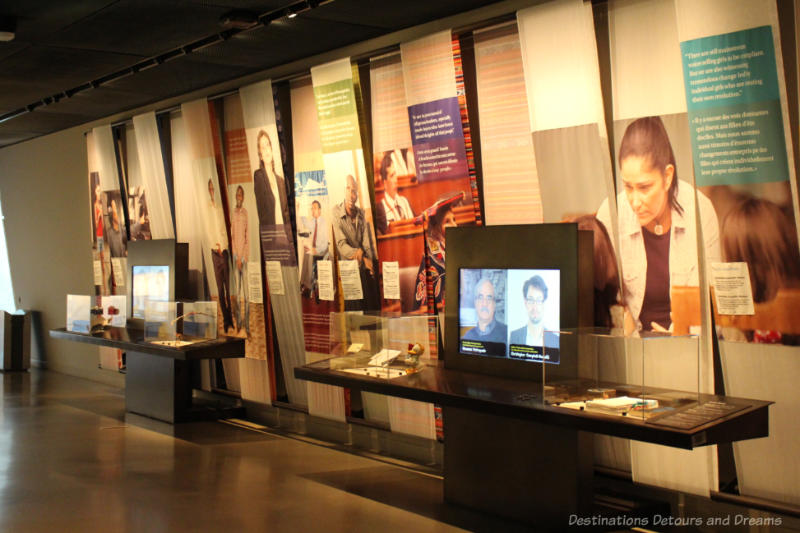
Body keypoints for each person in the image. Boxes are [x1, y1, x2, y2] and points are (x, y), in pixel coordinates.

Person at [596, 116, 719, 332]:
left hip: (689, 346)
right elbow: (604, 302)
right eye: (628, 186)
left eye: (644, 187)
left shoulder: (700, 211)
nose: (634, 201)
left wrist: (679, 336)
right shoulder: (611, 213)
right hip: (632, 346)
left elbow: (709, 305)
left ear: (667, 176)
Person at [332, 174, 379, 309]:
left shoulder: (361, 213)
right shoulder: (335, 213)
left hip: (363, 267)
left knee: (372, 305)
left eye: (354, 191)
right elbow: (342, 246)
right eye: (348, 189)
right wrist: (363, 257)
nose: (351, 194)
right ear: (343, 190)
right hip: (350, 270)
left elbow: (366, 244)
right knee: (355, 314)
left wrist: (370, 262)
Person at [413, 192, 462, 312]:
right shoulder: (431, 259)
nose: (454, 225)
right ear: (436, 228)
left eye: (454, 220)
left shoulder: (455, 250)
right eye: (447, 222)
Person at [207, 179, 234, 333]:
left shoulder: (219, 208)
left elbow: (223, 228)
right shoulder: (207, 208)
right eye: (209, 188)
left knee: (228, 288)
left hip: (224, 251)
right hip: (214, 253)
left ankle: (230, 319)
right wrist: (215, 244)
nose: (212, 191)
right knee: (220, 289)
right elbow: (209, 230)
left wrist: (223, 245)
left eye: (213, 188)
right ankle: (225, 320)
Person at [253, 130, 290, 227]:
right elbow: (262, 214)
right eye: (262, 147)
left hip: (284, 236)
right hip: (270, 237)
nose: (266, 150)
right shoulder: (259, 177)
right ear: (260, 155)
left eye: (267, 145)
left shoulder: (280, 181)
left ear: (272, 149)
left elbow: (286, 214)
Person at [375, 151, 414, 234]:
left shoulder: (405, 201)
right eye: (392, 176)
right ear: (384, 183)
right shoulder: (380, 208)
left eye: (395, 174)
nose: (396, 179)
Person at [462, 277, 507, 344]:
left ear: (494, 304)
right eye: (480, 297)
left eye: (489, 298)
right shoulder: (467, 337)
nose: (484, 303)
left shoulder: (506, 333)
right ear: (475, 303)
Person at [230, 185, 249, 335]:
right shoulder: (233, 213)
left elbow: (247, 237)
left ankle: (247, 327)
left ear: (243, 197)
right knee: (237, 294)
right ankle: (238, 324)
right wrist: (236, 257)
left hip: (244, 260)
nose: (239, 197)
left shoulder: (245, 213)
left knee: (247, 296)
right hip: (236, 259)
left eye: (241, 195)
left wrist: (243, 258)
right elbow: (232, 238)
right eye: (237, 194)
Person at [300, 200, 328, 298]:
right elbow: (306, 223)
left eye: (315, 208)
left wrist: (316, 250)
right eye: (312, 208)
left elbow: (324, 244)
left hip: (322, 250)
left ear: (319, 210)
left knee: (310, 253)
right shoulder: (312, 222)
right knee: (306, 251)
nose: (313, 210)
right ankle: (303, 282)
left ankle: (308, 285)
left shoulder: (323, 222)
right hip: (315, 248)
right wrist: (300, 211)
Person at [509, 275, 549, 346]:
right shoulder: (514, 337)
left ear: (544, 303)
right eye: (530, 300)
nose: (535, 307)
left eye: (539, 300)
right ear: (525, 302)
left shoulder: (556, 340)